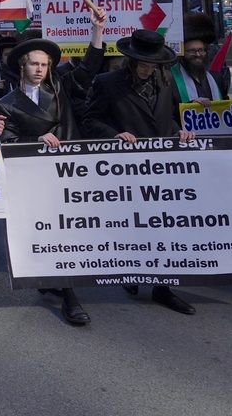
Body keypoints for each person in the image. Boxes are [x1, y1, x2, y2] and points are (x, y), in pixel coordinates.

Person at [0, 8, 107, 325]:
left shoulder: (61, 87)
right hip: (36, 179)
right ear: (22, 65)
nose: (40, 68)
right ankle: (66, 293)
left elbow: (88, 69)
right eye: (34, 63)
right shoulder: (7, 103)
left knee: (70, 232)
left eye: (45, 64)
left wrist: (97, 31)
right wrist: (35, 137)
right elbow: (9, 143)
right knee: (50, 231)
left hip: (70, 172)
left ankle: (64, 287)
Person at [83, 28, 198, 315]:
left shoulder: (166, 80)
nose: (148, 70)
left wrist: (180, 131)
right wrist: (115, 134)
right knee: (132, 225)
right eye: (143, 64)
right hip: (125, 169)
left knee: (166, 226)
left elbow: (170, 118)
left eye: (153, 65)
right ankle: (132, 271)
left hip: (162, 168)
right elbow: (91, 119)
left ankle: (163, 288)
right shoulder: (107, 82)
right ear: (132, 61)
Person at [172, 13, 232, 105]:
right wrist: (191, 105)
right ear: (182, 53)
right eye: (192, 51)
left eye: (201, 50)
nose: (198, 54)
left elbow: (226, 107)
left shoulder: (216, 77)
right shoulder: (170, 79)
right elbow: (166, 113)